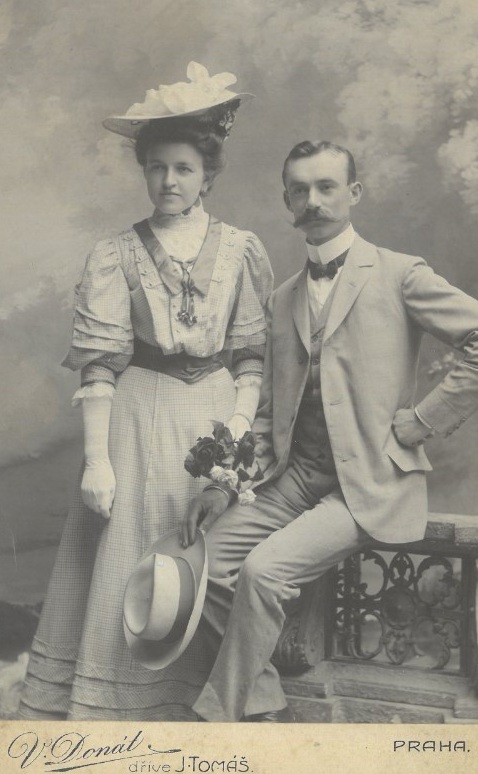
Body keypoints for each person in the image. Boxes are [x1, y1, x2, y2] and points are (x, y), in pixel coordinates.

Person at [183, 139, 478, 723]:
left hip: (368, 483)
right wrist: (225, 485)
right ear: (287, 201)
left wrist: (424, 420)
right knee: (203, 565)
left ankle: (218, 720)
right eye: (300, 190)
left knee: (264, 572)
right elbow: (270, 412)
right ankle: (261, 698)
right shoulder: (282, 298)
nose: (313, 201)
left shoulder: (400, 274)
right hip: (293, 479)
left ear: (354, 193)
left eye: (326, 187)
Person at [18, 63, 273, 721]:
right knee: (126, 559)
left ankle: (200, 701)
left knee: (202, 554)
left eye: (183, 168)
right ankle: (115, 705)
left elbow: (250, 357)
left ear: (208, 174)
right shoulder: (118, 254)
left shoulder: (240, 249)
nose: (169, 181)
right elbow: (100, 365)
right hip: (135, 419)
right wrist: (97, 461)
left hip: (212, 416)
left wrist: (236, 434)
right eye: (156, 168)